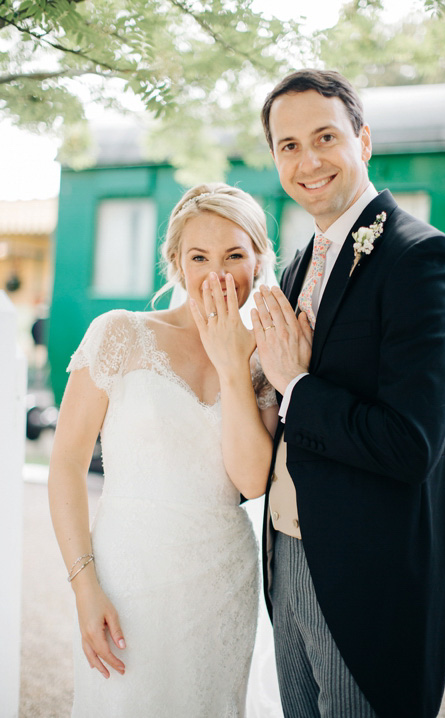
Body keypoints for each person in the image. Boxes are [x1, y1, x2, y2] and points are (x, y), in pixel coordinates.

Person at [252, 70, 445, 718]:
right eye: (287, 145)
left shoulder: (422, 259)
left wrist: (295, 383)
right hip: (287, 553)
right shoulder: (296, 264)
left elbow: (411, 444)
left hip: (366, 576)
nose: (308, 160)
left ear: (364, 140)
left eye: (325, 136)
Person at [48, 183, 280, 716]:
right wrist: (85, 588)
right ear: (174, 261)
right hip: (130, 575)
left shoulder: (262, 361)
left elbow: (250, 482)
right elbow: (64, 465)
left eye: (234, 256)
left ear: (259, 260)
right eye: (198, 256)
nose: (216, 274)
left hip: (224, 579)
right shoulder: (118, 334)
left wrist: (231, 361)